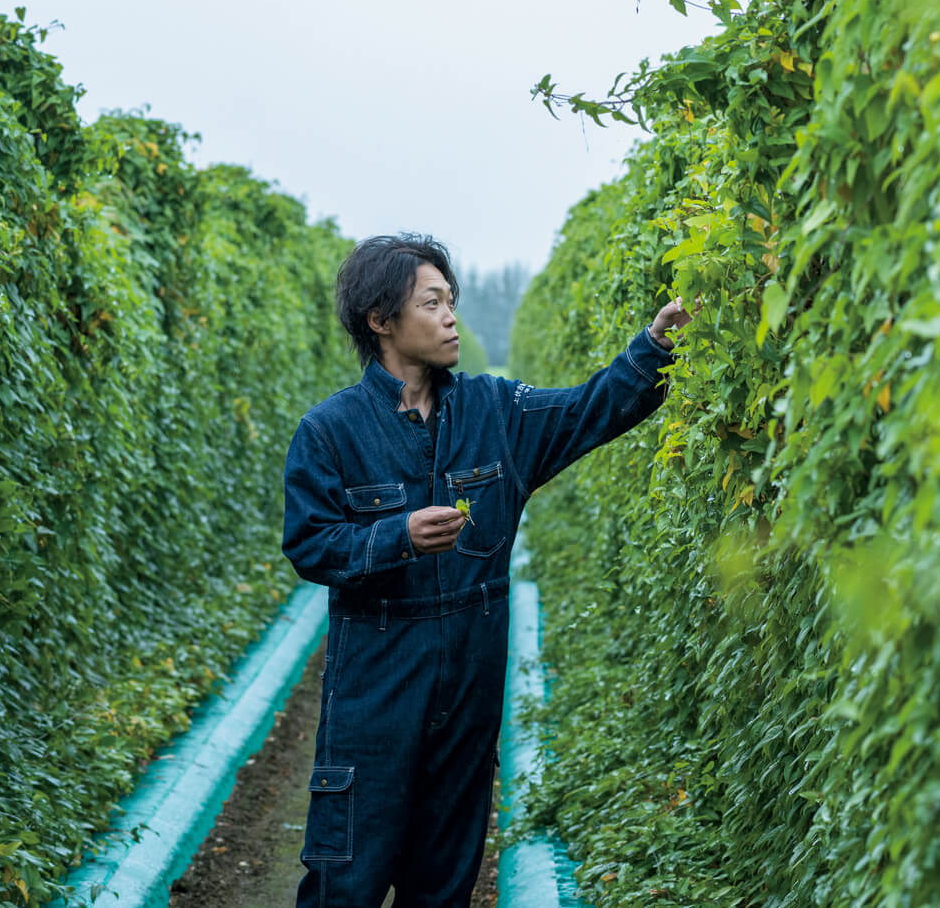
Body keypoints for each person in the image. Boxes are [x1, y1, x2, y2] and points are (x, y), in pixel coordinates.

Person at [281, 234, 689, 906]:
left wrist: (654, 346)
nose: (448, 316)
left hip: (467, 700)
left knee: (443, 887)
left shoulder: (497, 412)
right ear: (380, 321)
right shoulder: (330, 432)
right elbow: (310, 544)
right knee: (342, 885)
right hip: (374, 701)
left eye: (451, 301)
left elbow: (591, 407)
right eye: (431, 302)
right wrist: (397, 536)